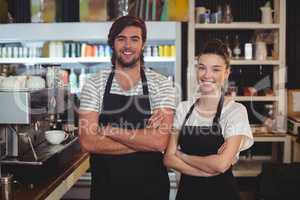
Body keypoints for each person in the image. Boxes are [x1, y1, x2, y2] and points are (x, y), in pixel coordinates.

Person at [79, 15, 176, 200]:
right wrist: (143, 141)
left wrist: (109, 130)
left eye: (134, 39)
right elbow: (88, 142)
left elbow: (159, 142)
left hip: (151, 190)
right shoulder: (94, 84)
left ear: (143, 44)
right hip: (106, 190)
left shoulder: (161, 84)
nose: (127, 46)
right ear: (112, 43)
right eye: (121, 39)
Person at [164, 39, 254, 200]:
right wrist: (205, 170)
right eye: (202, 68)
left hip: (223, 194)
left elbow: (221, 165)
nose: (207, 75)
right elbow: (169, 159)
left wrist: (182, 156)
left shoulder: (235, 111)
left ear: (226, 73)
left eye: (216, 69)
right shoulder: (184, 109)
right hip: (187, 194)